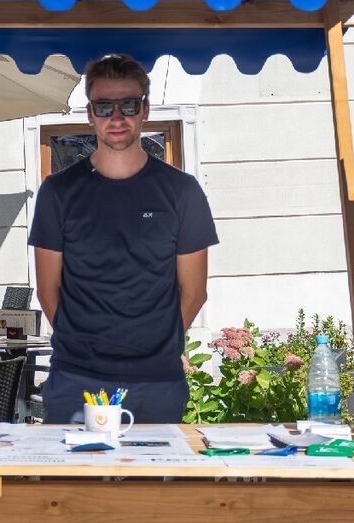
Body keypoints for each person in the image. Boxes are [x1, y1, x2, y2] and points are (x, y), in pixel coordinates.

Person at [28, 54, 219, 424]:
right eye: (103, 107)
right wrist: (84, 345)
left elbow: (195, 291)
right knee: (69, 466)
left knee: (155, 466)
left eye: (128, 105)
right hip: (76, 377)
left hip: (157, 381)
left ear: (145, 110)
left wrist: (157, 345)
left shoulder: (182, 192)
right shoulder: (57, 192)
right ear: (90, 115)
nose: (116, 117)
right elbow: (48, 291)